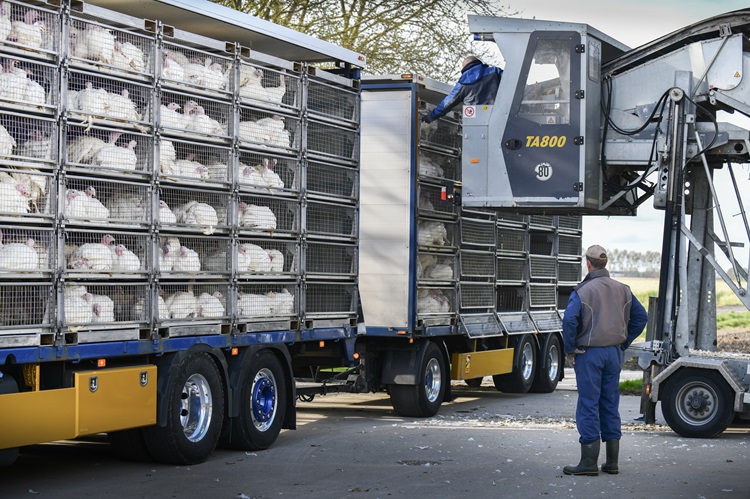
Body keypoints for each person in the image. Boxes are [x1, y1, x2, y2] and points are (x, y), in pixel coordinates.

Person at [561, 244, 648, 476]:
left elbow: (569, 320)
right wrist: (623, 342)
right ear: (605, 262)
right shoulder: (624, 289)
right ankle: (612, 462)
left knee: (588, 404)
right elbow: (641, 317)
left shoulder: (583, 291)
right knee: (610, 404)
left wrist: (570, 348)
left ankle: (588, 462)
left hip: (590, 354)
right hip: (613, 354)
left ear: (588, 263)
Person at [421, 55, 503, 123]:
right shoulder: (495, 72)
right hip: (499, 117)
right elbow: (512, 82)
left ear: (465, 68)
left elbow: (447, 103)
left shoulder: (463, 83)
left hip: (474, 122)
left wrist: (431, 117)